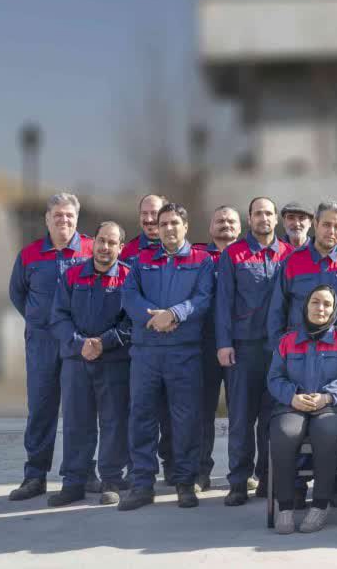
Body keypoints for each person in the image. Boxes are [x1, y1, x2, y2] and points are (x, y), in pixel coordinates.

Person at [119, 203, 215, 511]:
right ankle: (142, 484)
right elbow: (129, 296)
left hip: (183, 352)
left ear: (186, 226)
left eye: (175, 223)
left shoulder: (202, 261)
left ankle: (185, 482)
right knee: (141, 418)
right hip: (146, 353)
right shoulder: (141, 260)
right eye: (163, 224)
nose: (169, 228)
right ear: (157, 229)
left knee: (186, 420)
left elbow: (203, 298)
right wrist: (154, 318)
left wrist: (174, 313)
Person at [8, 192, 94, 501]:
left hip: (79, 342)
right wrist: (40, 322)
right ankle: (35, 476)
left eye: (69, 215)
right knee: (41, 408)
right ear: (47, 219)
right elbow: (17, 293)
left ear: (77, 218)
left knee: (81, 409)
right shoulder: (29, 255)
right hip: (42, 343)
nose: (64, 220)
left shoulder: (91, 249)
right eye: (57, 215)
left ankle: (85, 473)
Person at [215, 197, 294, 505]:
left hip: (278, 349)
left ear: (276, 219)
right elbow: (223, 302)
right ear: (250, 219)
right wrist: (224, 343)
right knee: (240, 418)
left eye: (269, 213)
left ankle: (267, 477)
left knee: (273, 417)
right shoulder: (234, 254)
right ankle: (238, 481)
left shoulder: (288, 254)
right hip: (243, 348)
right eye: (258, 213)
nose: (264, 218)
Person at [47, 221, 131, 507]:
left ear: (121, 247)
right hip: (76, 361)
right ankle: (74, 482)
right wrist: (80, 344)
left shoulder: (129, 277)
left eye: (112, 242)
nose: (105, 247)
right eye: (101, 241)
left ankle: (111, 480)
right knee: (76, 422)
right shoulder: (72, 275)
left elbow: (132, 322)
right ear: (93, 242)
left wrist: (104, 343)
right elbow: (58, 316)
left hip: (114, 362)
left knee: (113, 422)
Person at [267, 285, 337, 534]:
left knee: (325, 431)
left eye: (327, 304)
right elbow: (274, 378)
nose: (321, 308)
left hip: (333, 406)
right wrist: (292, 397)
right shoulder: (287, 340)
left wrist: (328, 396)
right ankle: (285, 506)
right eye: (315, 302)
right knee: (284, 433)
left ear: (335, 309)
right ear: (305, 306)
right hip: (292, 405)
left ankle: (320, 504)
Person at [267, 201, 337, 343]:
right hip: (298, 347)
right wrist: (278, 348)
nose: (331, 231)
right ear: (316, 224)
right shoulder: (293, 262)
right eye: (326, 225)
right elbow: (277, 311)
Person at [194, 205, 241, 491]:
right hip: (204, 344)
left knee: (240, 412)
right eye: (220, 220)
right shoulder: (198, 257)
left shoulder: (247, 257)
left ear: (240, 227)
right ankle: (200, 471)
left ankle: (241, 473)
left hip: (240, 344)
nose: (226, 224)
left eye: (231, 220)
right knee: (202, 412)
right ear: (210, 227)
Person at [119, 194, 165, 264]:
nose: (148, 219)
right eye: (144, 213)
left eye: (154, 213)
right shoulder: (127, 252)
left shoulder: (179, 248)